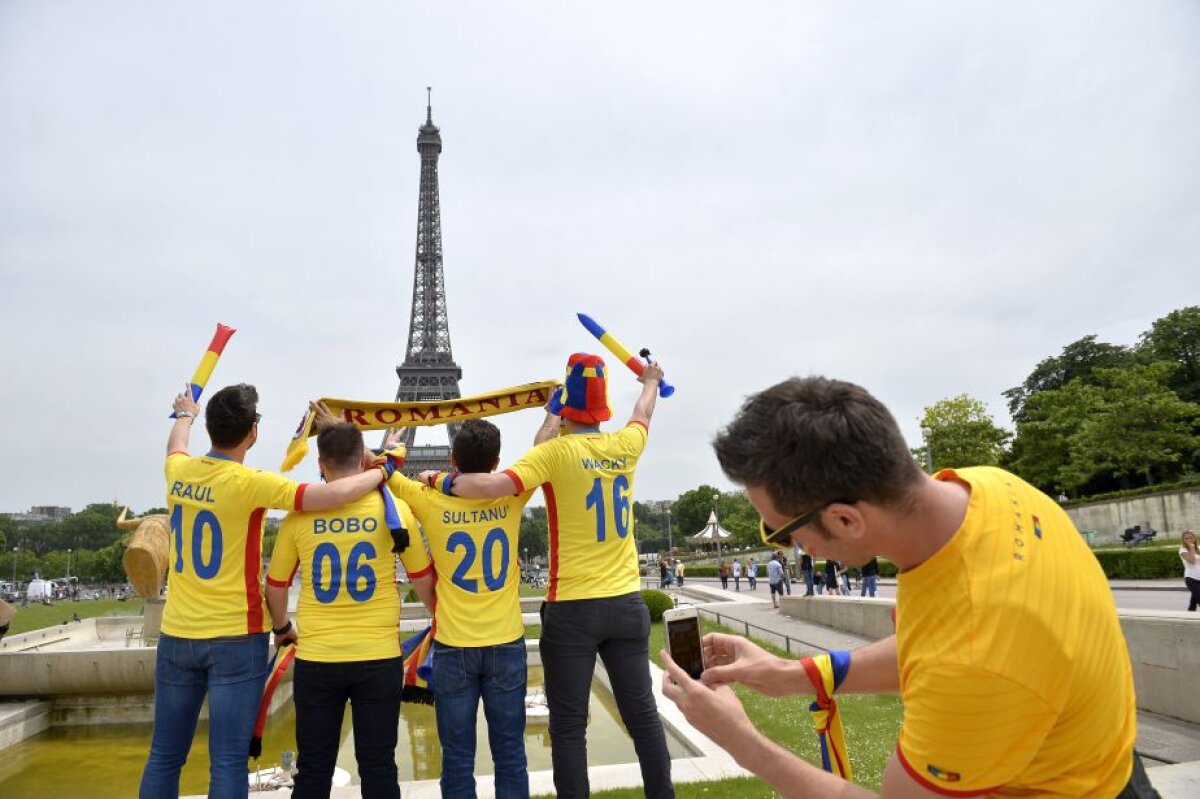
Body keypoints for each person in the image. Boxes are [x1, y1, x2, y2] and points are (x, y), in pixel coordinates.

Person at [660, 376, 1150, 798]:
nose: (791, 549)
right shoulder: (992, 490)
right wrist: (792, 674)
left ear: (847, 519)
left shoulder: (975, 654)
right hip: (1108, 768)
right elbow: (932, 644)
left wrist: (740, 740)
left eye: (783, 532)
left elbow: (962, 654)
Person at [425, 354, 674, 799]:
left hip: (573, 607)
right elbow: (643, 411)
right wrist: (651, 380)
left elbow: (486, 485)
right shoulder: (626, 445)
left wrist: (438, 481)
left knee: (569, 728)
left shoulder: (555, 454)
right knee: (644, 719)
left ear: (567, 410)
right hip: (626, 601)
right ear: (600, 410)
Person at [141, 385, 393, 799]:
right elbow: (333, 492)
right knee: (227, 760)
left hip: (177, 633)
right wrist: (383, 468)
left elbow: (177, 443)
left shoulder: (178, 472)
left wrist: (184, 412)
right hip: (235, 636)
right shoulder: (250, 483)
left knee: (165, 755)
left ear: (210, 425)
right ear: (252, 433)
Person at [265, 422, 436, 799]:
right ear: (363, 459)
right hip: (377, 657)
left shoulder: (299, 517)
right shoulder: (395, 509)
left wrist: (282, 628)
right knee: (378, 766)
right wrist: (442, 619)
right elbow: (423, 580)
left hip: (317, 657)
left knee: (312, 770)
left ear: (322, 464)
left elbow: (275, 588)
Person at [384, 419, 537, 799]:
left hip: (454, 647)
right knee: (511, 754)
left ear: (452, 458)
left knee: (455, 757)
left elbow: (384, 474)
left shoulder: (428, 500)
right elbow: (541, 451)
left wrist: (392, 447)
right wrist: (554, 413)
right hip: (506, 644)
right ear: (496, 461)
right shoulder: (512, 497)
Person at [1180, 530, 1200, 612]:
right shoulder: (1183, 550)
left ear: (1194, 538)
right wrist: (1191, 548)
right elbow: (1192, 561)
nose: (1189, 540)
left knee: (1193, 603)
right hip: (1191, 579)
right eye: (1186, 538)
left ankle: (1189, 615)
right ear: (1183, 540)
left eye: (1190, 538)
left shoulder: (1198, 548)